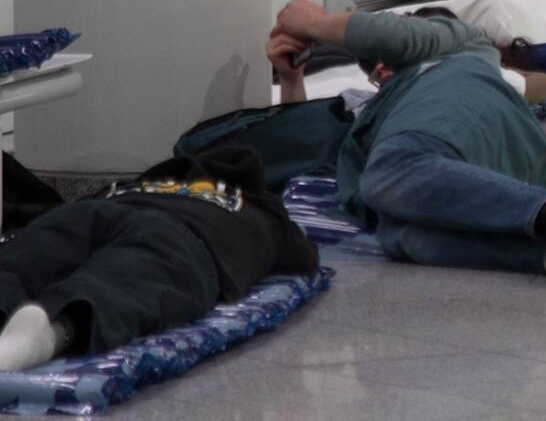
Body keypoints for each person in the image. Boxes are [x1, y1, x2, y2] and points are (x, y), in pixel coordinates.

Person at [266, 0, 546, 287]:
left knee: (395, 167)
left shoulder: (463, 50)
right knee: (401, 235)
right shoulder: (368, 112)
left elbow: (397, 35)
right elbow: (306, 141)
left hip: (458, 134)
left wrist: (313, 22)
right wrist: (290, 79)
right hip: (462, 179)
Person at [0, 145, 319, 370]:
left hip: (101, 209)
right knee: (124, 280)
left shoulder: (140, 183)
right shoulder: (260, 208)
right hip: (184, 234)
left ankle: (19, 319)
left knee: (30, 255)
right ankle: (53, 334)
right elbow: (305, 258)